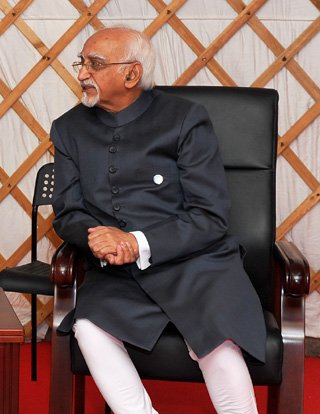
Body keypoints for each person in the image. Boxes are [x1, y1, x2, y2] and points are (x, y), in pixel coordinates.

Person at [51, 27, 266, 413]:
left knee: (217, 340)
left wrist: (136, 242)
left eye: (95, 64)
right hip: (120, 273)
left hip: (197, 264)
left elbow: (210, 215)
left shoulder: (184, 119)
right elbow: (68, 211)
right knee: (89, 327)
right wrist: (98, 237)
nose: (82, 73)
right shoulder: (68, 128)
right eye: (81, 63)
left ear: (132, 73)